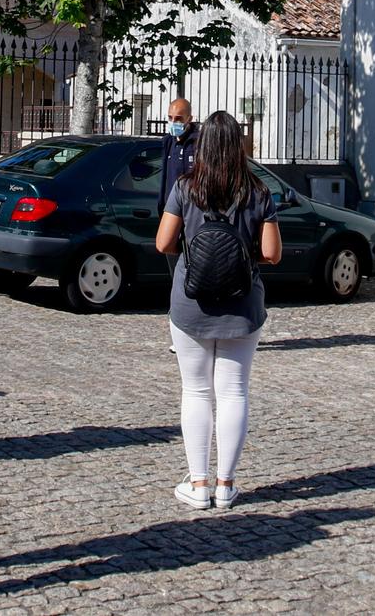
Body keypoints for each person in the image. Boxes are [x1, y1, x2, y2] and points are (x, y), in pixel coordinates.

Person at [154, 110, 282, 511]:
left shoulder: (185, 188)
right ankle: (226, 485)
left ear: (203, 144)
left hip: (191, 303)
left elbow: (162, 243)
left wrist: (194, 251)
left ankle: (198, 483)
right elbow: (272, 254)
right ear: (239, 146)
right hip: (242, 305)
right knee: (233, 392)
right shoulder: (258, 192)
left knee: (195, 390)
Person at [155, 95, 197, 214]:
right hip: (170, 209)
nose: (173, 122)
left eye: (178, 119)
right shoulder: (168, 142)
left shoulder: (197, 143)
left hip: (189, 211)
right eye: (170, 117)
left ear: (189, 119)